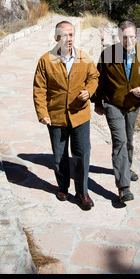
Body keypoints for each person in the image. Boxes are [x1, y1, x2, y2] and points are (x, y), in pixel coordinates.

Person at [94, 20, 140, 203]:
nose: (128, 40)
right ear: (119, 37)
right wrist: (97, 102)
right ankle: (124, 187)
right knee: (120, 141)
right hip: (112, 104)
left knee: (129, 140)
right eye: (125, 37)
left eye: (132, 36)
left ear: (136, 36)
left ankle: (126, 167)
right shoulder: (108, 54)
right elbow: (99, 80)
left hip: (133, 105)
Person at [33, 21, 99, 210]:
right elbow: (39, 88)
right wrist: (42, 113)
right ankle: (63, 187)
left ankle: (82, 192)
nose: (68, 39)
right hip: (56, 117)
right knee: (59, 156)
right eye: (63, 35)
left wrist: (89, 91)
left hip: (80, 115)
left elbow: (94, 77)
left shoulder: (83, 58)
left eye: (71, 35)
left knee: (82, 154)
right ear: (56, 38)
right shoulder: (46, 60)